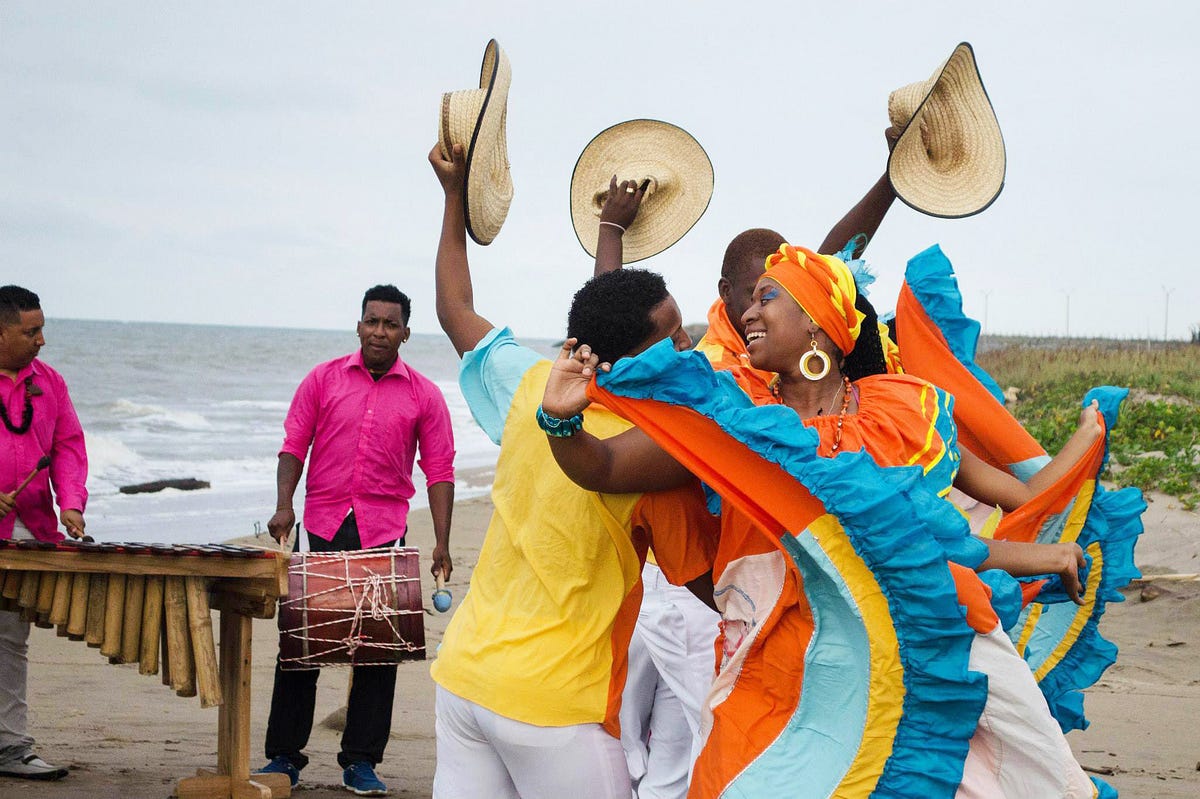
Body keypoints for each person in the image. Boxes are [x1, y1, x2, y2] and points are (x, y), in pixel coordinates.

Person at [539, 245, 1102, 798]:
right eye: (750, 299)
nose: (749, 313)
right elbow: (605, 466)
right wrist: (560, 421)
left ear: (817, 323)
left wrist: (1087, 437)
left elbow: (997, 507)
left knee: (1029, 772)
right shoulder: (734, 415)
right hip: (777, 652)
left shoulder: (903, 412)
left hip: (924, 632)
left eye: (768, 297)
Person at [588, 138, 899, 798]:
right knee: (679, 742)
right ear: (726, 295)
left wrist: (892, 178)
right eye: (757, 290)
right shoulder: (712, 368)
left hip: (755, 587)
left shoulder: (782, 366)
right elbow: (612, 330)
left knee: (690, 741)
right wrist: (610, 232)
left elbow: (835, 259)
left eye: (780, 292)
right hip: (689, 587)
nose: (767, 304)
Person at [427, 142, 719, 799]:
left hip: (466, 677)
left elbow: (454, 307)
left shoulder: (532, 383)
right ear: (620, 362)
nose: (687, 342)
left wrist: (452, 197)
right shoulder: (654, 452)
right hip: (558, 705)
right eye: (671, 336)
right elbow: (709, 589)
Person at [256, 284, 456, 797]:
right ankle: (283, 756)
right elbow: (292, 445)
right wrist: (285, 504)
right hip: (321, 527)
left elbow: (438, 470)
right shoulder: (322, 380)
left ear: (406, 334)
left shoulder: (424, 395)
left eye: (391, 324)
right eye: (372, 321)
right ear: (358, 325)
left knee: (378, 654)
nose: (380, 332)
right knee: (301, 646)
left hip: (384, 533)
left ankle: (361, 761)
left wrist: (442, 542)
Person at [0, 285, 86, 782]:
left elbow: (69, 446)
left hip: (29, 529)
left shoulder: (49, 382)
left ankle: (10, 745)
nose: (41, 340)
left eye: (42, 329)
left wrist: (71, 502)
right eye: (31, 331)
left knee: (10, 639)